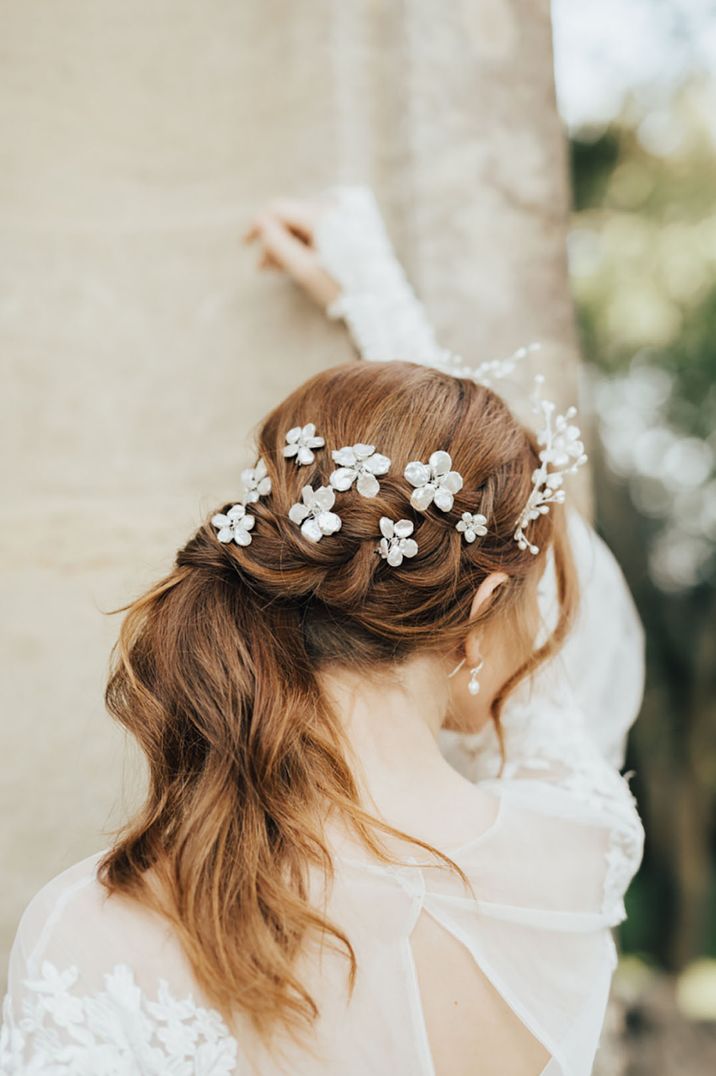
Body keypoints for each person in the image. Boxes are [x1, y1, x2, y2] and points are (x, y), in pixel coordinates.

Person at [0, 187, 645, 1076]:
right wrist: (375, 301)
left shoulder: (97, 936)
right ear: (484, 609)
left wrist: (372, 314)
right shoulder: (582, 852)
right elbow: (566, 622)